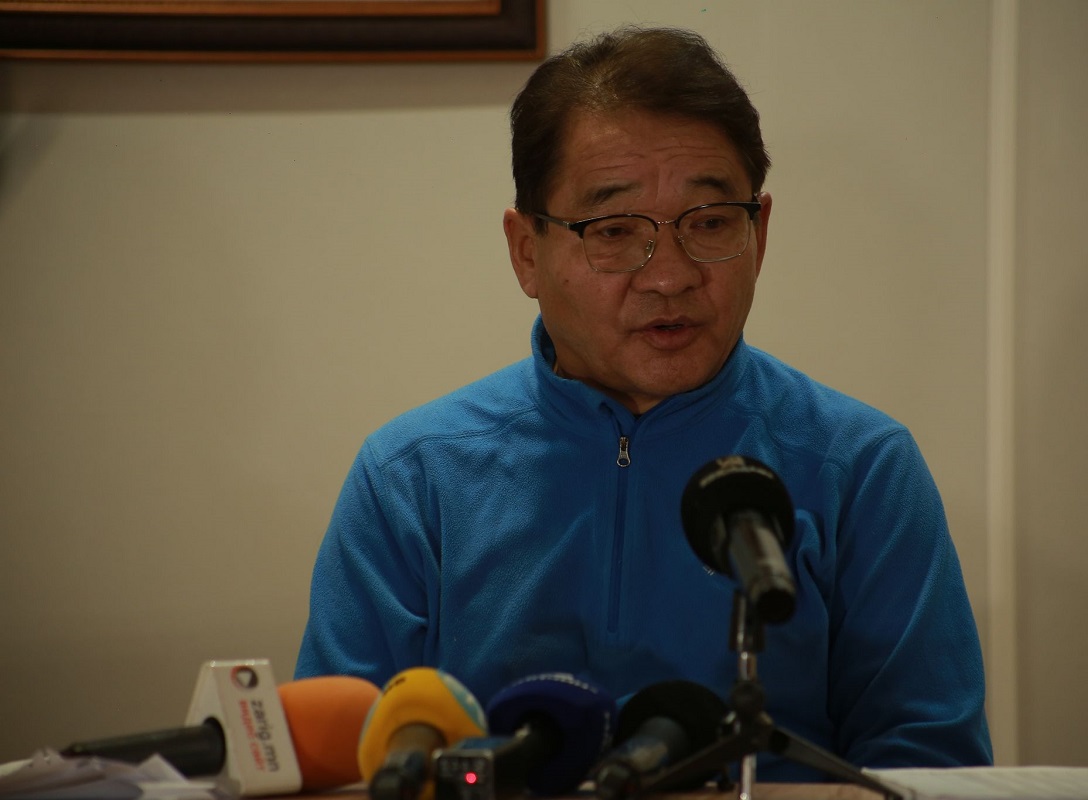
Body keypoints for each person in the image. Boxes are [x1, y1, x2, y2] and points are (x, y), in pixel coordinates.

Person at [295, 25, 992, 780]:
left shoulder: (860, 469)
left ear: (759, 234)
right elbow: (342, 769)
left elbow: (929, 772)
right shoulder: (412, 479)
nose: (670, 275)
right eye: (616, 230)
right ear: (527, 252)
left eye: (711, 222)